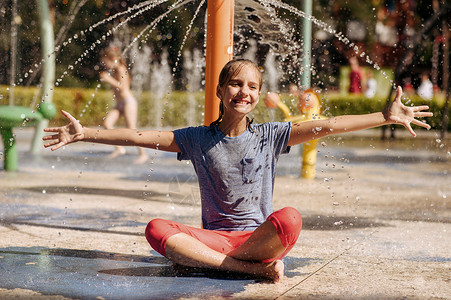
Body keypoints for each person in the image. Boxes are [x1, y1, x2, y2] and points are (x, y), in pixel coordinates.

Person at [42, 59, 432, 283]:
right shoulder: (196, 139)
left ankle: (235, 264)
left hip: (260, 239)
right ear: (220, 91)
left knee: (291, 219)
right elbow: (141, 136)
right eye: (235, 84)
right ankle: (246, 270)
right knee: (156, 229)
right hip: (213, 241)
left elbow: (325, 125)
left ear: (258, 95)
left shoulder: (271, 135)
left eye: (252, 86)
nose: (243, 92)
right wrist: (84, 133)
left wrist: (384, 116)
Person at [99, 46, 148, 164]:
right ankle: (119, 148)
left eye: (105, 62)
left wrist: (108, 79)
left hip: (128, 102)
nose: (104, 65)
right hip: (120, 104)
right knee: (107, 123)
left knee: (131, 129)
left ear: (113, 59)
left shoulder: (121, 68)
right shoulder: (115, 71)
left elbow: (123, 87)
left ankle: (143, 154)